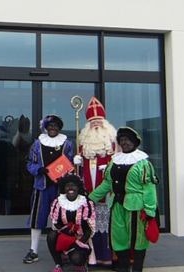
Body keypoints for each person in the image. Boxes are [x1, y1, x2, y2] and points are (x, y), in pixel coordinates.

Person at [88, 127, 158, 272]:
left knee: (138, 240)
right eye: (122, 140)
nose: (125, 142)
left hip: (136, 207)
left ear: (134, 142)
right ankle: (123, 267)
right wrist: (90, 198)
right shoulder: (114, 161)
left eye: (128, 140)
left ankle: (137, 269)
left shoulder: (143, 163)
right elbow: (107, 184)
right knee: (119, 238)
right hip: (116, 205)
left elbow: (149, 188)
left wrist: (150, 210)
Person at [23, 114, 75, 264]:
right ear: (46, 128)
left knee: (60, 219)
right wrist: (39, 170)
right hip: (42, 187)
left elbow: (70, 163)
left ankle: (60, 250)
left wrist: (73, 165)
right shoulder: (37, 144)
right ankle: (33, 250)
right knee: (37, 218)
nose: (53, 128)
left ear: (59, 128)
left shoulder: (67, 144)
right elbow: (30, 163)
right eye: (50, 126)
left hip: (61, 188)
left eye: (55, 126)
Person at [73, 96, 117, 266]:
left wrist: (109, 166)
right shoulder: (83, 142)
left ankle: (106, 256)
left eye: (99, 121)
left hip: (106, 190)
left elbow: (119, 162)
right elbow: (76, 171)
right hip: (88, 188)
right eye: (93, 122)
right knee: (90, 223)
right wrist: (76, 162)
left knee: (105, 224)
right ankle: (90, 256)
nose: (96, 125)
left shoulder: (112, 142)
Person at [46, 174, 96, 272]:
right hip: (65, 237)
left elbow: (89, 230)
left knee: (76, 258)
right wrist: (67, 230)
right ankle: (58, 265)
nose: (70, 188)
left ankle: (79, 262)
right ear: (64, 188)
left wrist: (78, 243)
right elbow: (56, 223)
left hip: (81, 239)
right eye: (67, 185)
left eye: (73, 185)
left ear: (78, 188)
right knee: (51, 235)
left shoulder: (86, 203)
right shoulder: (58, 202)